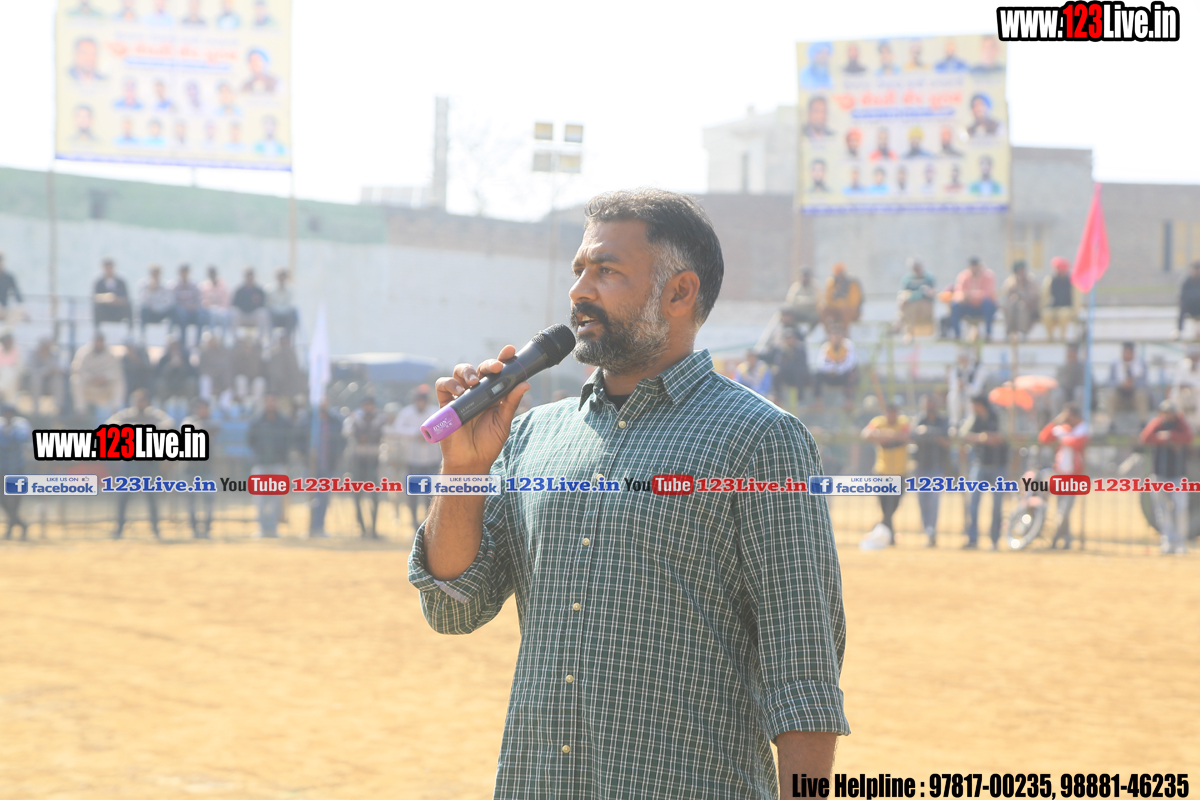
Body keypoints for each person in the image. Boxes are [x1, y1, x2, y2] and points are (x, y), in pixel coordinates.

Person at [409, 188, 847, 798]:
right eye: (579, 270)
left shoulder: (759, 440)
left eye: (606, 271)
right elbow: (454, 608)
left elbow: (803, 671)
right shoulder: (533, 435)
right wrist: (464, 469)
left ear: (680, 293)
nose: (578, 290)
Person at [108, 389, 174, 539]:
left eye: (142, 400)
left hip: (148, 461)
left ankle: (155, 529)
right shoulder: (127, 415)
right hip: (130, 460)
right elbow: (110, 424)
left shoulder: (154, 414)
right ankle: (119, 529)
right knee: (123, 495)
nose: (139, 403)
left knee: (151, 496)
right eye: (137, 400)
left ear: (147, 402)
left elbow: (169, 424)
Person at [1139, 401, 1192, 555]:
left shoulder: (1180, 424)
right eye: (1164, 412)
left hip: (1178, 475)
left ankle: (1180, 542)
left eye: (1169, 412)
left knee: (1180, 509)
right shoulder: (1157, 423)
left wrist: (1171, 436)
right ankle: (1167, 541)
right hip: (1159, 474)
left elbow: (1188, 437)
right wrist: (1162, 438)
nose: (1167, 415)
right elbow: (1146, 437)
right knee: (1162, 511)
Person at [391, 385, 443, 531]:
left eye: (423, 401)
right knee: (413, 494)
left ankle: (428, 523)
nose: (421, 404)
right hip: (412, 459)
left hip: (431, 459)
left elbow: (443, 427)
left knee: (430, 494)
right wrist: (416, 433)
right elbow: (398, 428)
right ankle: (414, 524)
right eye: (419, 401)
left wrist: (428, 434)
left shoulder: (434, 411)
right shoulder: (406, 412)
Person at [1038, 403, 1089, 549]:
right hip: (1060, 475)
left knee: (1064, 511)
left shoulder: (1083, 428)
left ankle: (1054, 540)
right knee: (1061, 509)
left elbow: (1077, 443)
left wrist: (1063, 438)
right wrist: (1056, 421)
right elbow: (1044, 438)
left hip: (1075, 477)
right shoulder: (1063, 428)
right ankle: (1066, 540)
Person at [961, 395, 1009, 549]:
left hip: (999, 466)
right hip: (980, 465)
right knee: (973, 505)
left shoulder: (997, 416)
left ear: (981, 404)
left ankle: (994, 540)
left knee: (997, 506)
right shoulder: (975, 419)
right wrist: (982, 438)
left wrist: (993, 437)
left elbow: (1005, 435)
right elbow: (963, 434)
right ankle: (972, 539)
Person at [861, 400, 910, 544]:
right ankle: (889, 534)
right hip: (882, 471)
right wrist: (891, 435)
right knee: (884, 506)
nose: (892, 415)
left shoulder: (903, 422)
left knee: (894, 505)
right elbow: (866, 434)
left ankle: (881, 528)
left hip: (900, 472)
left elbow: (905, 436)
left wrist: (884, 436)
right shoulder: (878, 422)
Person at [247, 394, 294, 537]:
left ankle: (273, 528)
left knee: (276, 499)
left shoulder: (284, 421)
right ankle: (262, 528)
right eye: (268, 401)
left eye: (273, 401)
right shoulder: (257, 420)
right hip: (261, 464)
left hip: (278, 464)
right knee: (260, 498)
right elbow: (250, 440)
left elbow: (289, 440)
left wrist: (283, 457)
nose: (270, 404)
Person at [911, 394, 951, 546]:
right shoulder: (919, 419)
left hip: (937, 467)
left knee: (934, 501)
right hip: (920, 466)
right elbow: (913, 434)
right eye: (927, 404)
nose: (929, 406)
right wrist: (926, 432)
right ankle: (927, 530)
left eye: (931, 403)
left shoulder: (943, 421)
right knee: (923, 501)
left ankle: (931, 530)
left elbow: (946, 440)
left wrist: (931, 433)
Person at [343, 397, 384, 539]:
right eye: (365, 405)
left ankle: (373, 529)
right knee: (357, 497)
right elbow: (347, 432)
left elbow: (384, 431)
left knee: (375, 498)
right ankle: (362, 528)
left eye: (370, 405)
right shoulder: (355, 419)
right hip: (358, 463)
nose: (368, 408)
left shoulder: (379, 419)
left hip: (373, 462)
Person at [181, 399, 219, 538]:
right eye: (201, 408)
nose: (203, 411)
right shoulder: (188, 421)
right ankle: (194, 529)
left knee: (209, 499)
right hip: (190, 467)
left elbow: (215, 428)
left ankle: (207, 528)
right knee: (191, 500)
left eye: (205, 408)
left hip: (207, 467)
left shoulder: (212, 422)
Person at [308, 397, 344, 537]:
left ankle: (319, 526)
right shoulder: (309, 419)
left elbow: (341, 441)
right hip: (311, 466)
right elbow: (299, 438)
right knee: (311, 497)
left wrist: (336, 457)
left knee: (323, 498)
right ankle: (310, 527)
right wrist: (305, 455)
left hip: (328, 465)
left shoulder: (335, 421)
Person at [71, 332, 124, 425]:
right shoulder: (83, 352)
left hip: (105, 389)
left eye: (101, 341)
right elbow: (77, 370)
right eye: (97, 341)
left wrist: (104, 377)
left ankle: (116, 411)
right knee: (75, 380)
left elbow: (117, 372)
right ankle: (80, 411)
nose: (99, 344)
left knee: (119, 382)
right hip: (89, 388)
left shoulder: (111, 354)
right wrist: (93, 378)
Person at [0, 404, 30, 540]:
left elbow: (22, 437)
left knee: (16, 499)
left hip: (17, 467)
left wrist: (10, 432)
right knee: (2, 499)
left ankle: (11, 528)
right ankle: (21, 524)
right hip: (2, 467)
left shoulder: (21, 424)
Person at [950, 257, 998, 341]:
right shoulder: (964, 276)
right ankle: (957, 334)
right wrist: (963, 297)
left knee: (988, 303)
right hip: (969, 307)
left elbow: (988, 293)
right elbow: (958, 292)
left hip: (982, 307)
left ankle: (988, 334)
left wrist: (971, 295)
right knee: (955, 305)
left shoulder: (988, 275)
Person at [812, 328, 857, 409]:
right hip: (830, 375)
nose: (836, 338)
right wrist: (830, 369)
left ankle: (849, 402)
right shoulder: (826, 346)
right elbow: (821, 364)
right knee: (817, 374)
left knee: (851, 374)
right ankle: (818, 401)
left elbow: (850, 364)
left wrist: (837, 370)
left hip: (843, 375)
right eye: (834, 335)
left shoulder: (848, 345)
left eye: (838, 335)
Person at [767, 327, 808, 412]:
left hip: (797, 375)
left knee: (799, 373)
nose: (790, 340)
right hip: (786, 375)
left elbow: (802, 365)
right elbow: (779, 363)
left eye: (792, 338)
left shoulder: (800, 349)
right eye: (788, 338)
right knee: (776, 372)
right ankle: (777, 396)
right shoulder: (781, 350)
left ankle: (800, 399)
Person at [1106, 342, 1149, 421]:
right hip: (1120, 395)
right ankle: (1111, 422)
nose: (1128, 355)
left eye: (1130, 353)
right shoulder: (1115, 364)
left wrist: (1133, 384)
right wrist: (1121, 384)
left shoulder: (1141, 364)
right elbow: (1109, 382)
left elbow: (1145, 383)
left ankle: (1143, 422)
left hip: (1134, 395)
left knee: (1142, 394)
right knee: (1110, 394)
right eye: (1126, 352)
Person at [1041, 256, 1080, 340]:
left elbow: (1076, 298)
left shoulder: (1072, 281)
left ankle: (1062, 337)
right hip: (1054, 307)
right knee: (1046, 314)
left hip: (1067, 307)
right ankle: (1050, 337)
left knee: (1063, 313)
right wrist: (1042, 307)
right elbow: (1044, 296)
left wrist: (1075, 311)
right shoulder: (1050, 280)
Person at [897, 257, 936, 340]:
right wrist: (917, 293)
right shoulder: (907, 279)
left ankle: (900, 324)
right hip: (909, 305)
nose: (917, 270)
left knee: (912, 305)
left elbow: (930, 293)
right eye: (915, 268)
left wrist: (914, 295)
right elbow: (904, 293)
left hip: (924, 305)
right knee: (904, 300)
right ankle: (903, 326)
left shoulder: (928, 278)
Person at [23, 339, 65, 415]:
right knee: (36, 379)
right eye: (44, 347)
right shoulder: (33, 355)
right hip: (35, 383)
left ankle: (58, 408)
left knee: (58, 379)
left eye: (47, 348)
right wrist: (46, 370)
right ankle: (36, 409)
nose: (46, 349)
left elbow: (61, 367)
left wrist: (53, 369)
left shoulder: (54, 354)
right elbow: (31, 370)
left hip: (49, 384)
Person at [1001, 260, 1040, 339]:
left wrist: (1023, 296)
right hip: (1014, 309)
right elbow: (1007, 295)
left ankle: (1023, 332)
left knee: (1022, 306)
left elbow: (1034, 297)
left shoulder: (1031, 280)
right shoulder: (1011, 281)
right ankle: (1009, 331)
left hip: (1030, 309)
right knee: (1010, 306)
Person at [819, 263, 863, 331]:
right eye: (837, 273)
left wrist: (840, 304)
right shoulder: (832, 282)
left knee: (844, 310)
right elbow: (828, 300)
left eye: (841, 273)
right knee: (823, 309)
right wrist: (838, 305)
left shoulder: (852, 282)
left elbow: (853, 303)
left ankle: (844, 333)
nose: (839, 275)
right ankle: (829, 333)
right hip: (836, 310)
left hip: (851, 311)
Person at [171, 264, 206, 346]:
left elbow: (198, 299)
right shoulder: (174, 286)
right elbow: (173, 301)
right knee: (182, 316)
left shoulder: (194, 285)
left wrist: (193, 306)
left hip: (193, 310)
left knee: (201, 315)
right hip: (181, 312)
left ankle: (198, 342)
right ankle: (183, 343)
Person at [232, 268, 270, 341]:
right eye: (248, 275)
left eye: (251, 275)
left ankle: (259, 340)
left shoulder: (259, 290)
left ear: (254, 276)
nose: (249, 277)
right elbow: (234, 304)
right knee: (234, 312)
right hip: (242, 315)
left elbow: (263, 305)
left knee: (263, 313)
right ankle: (235, 339)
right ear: (244, 276)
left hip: (254, 316)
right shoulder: (239, 290)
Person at [93, 258, 132, 329]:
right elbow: (95, 297)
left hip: (117, 310)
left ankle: (130, 329)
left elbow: (126, 298)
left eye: (110, 267)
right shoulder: (99, 282)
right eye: (107, 268)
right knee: (96, 307)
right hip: (105, 310)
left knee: (128, 306)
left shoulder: (121, 282)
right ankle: (97, 330)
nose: (109, 270)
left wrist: (116, 300)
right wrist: (107, 298)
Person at [230, 333, 266, 409]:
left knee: (260, 381)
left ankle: (256, 405)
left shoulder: (257, 357)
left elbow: (261, 371)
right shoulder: (238, 356)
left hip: (254, 379)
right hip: (243, 380)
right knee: (241, 380)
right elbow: (235, 370)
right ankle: (241, 404)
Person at [197, 331, 233, 404]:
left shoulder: (223, 353)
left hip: (222, 378)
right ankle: (204, 402)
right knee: (204, 379)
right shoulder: (204, 353)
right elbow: (202, 368)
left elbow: (226, 367)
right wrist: (211, 374)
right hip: (210, 377)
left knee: (228, 390)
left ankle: (224, 407)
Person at [138, 265, 173, 336]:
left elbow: (169, 301)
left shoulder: (165, 285)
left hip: (161, 312)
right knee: (143, 308)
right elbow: (142, 300)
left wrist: (160, 308)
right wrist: (150, 290)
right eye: (153, 274)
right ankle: (142, 335)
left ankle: (170, 334)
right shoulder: (144, 284)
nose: (155, 276)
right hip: (149, 312)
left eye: (157, 274)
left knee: (173, 309)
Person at [266, 332, 303, 397]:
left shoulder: (291, 355)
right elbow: (273, 372)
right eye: (282, 341)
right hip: (278, 389)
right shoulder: (275, 355)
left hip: (289, 389)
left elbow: (295, 372)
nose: (284, 342)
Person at [200, 265, 232, 338]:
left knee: (224, 315)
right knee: (213, 313)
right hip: (209, 310)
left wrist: (221, 307)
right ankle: (212, 336)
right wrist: (209, 305)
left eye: (213, 273)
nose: (212, 275)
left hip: (221, 309)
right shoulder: (204, 286)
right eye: (210, 273)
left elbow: (226, 300)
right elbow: (203, 300)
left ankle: (223, 337)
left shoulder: (223, 285)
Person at [266, 269, 298, 336]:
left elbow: (290, 305)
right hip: (274, 315)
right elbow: (268, 305)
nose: (282, 278)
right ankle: (270, 337)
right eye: (280, 276)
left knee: (294, 313)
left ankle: (288, 338)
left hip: (286, 315)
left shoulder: (290, 290)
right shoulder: (269, 289)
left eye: (283, 276)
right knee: (267, 314)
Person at [120, 339, 153, 405]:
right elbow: (123, 373)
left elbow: (148, 369)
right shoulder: (125, 359)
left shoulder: (143, 355)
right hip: (130, 384)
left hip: (143, 382)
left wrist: (136, 359)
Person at [1055, 342, 1087, 409]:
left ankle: (1080, 415)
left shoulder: (1083, 367)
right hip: (1065, 396)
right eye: (1069, 352)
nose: (1070, 354)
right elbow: (1059, 383)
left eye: (1073, 352)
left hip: (1078, 396)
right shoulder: (1062, 368)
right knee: (1058, 394)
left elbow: (1085, 384)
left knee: (1079, 392)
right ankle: (1058, 415)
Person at [1177, 260, 1200, 338]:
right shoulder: (1187, 281)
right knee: (1182, 308)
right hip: (1190, 306)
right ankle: (1179, 330)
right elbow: (1182, 295)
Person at [0, 253, 24, 321]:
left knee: (18, 311)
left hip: (4, 308)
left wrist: (22, 308)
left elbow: (17, 293)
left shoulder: (8, 277)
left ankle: (6, 328)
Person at [0, 332, 20, 405]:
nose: (9, 343)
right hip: (1, 374)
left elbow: (18, 367)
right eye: (7, 341)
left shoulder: (16, 351)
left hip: (12, 377)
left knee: (10, 373)